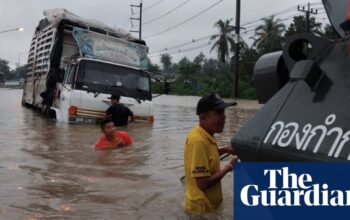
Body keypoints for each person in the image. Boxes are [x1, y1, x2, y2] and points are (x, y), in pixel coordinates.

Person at [183, 93, 238, 214]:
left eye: (223, 113)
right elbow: (202, 183)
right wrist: (229, 168)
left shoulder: (205, 136)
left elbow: (207, 156)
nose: (224, 117)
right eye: (219, 113)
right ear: (203, 117)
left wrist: (226, 150)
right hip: (201, 210)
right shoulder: (199, 141)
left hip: (208, 207)